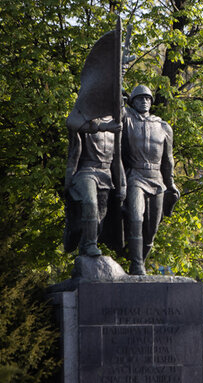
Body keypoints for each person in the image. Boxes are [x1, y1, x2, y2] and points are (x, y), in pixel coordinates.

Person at [121, 85, 179, 275]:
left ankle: (139, 262)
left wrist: (171, 184)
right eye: (139, 98)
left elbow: (168, 160)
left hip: (157, 179)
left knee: (152, 229)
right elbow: (115, 105)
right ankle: (137, 265)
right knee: (136, 218)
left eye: (147, 98)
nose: (144, 101)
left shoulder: (163, 127)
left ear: (151, 102)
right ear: (133, 102)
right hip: (135, 176)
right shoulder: (127, 119)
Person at [64, 113, 125, 256]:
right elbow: (71, 121)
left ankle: (86, 246)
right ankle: (90, 244)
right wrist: (103, 127)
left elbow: (117, 159)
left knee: (99, 218)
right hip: (86, 171)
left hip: (106, 174)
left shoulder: (116, 126)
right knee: (90, 202)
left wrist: (122, 184)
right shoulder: (86, 120)